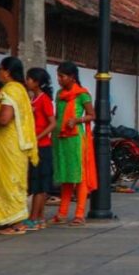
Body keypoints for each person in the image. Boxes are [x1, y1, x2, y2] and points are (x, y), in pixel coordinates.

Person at [0, 57, 38, 234]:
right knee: (16, 183)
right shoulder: (20, 89)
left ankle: (11, 223)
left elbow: (5, 118)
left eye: (0, 69)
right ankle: (15, 221)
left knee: (6, 182)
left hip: (8, 145)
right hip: (16, 145)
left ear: (7, 71)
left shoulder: (10, 90)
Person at [51, 62, 96, 226]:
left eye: (62, 76)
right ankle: (62, 213)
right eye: (58, 76)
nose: (59, 79)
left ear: (72, 77)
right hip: (61, 138)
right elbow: (57, 117)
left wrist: (77, 120)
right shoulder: (59, 94)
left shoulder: (83, 95)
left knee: (79, 176)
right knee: (66, 176)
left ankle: (79, 214)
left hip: (76, 139)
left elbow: (92, 115)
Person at [25, 68, 56, 230]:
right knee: (37, 182)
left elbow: (52, 123)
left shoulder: (44, 100)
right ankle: (40, 217)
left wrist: (38, 137)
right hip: (35, 146)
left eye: (29, 79)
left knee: (39, 184)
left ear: (36, 82)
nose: (27, 81)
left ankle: (34, 217)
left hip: (42, 146)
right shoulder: (34, 99)